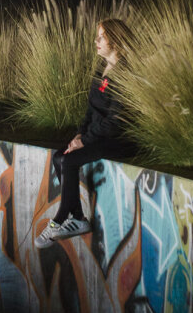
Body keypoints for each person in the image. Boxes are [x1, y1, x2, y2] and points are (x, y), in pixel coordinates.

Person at [34, 18, 136, 249]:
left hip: (116, 140)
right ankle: (78, 218)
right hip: (95, 135)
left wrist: (86, 141)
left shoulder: (125, 74)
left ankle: (59, 220)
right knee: (59, 157)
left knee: (69, 161)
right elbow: (91, 109)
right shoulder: (101, 69)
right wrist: (79, 135)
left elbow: (115, 122)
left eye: (101, 37)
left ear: (116, 41)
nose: (95, 41)